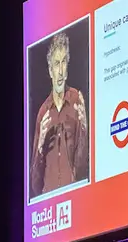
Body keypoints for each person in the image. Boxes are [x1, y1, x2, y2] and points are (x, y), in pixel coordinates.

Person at [29, 31, 89, 199]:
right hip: (49, 207)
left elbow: (83, 170)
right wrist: (40, 146)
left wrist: (84, 130)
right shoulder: (43, 112)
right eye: (56, 64)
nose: (61, 71)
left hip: (75, 200)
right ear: (50, 70)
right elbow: (34, 185)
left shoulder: (77, 101)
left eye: (64, 62)